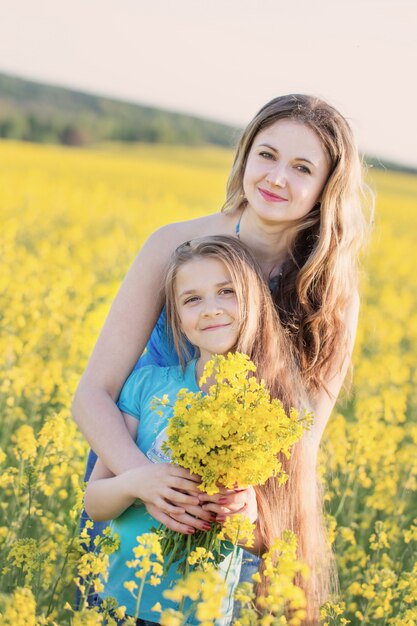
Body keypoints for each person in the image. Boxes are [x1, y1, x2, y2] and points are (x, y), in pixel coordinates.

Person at [74, 94, 371, 619]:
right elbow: (92, 394)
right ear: (245, 155)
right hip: (130, 478)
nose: (277, 178)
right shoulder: (174, 245)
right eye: (267, 155)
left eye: (302, 168)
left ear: (327, 187)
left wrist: (252, 506)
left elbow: (301, 444)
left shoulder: (330, 298)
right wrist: (143, 480)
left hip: (235, 513)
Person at [83, 236, 310, 625]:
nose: (211, 309)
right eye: (192, 299)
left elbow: (265, 542)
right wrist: (138, 482)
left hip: (198, 616)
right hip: (117, 600)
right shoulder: (147, 387)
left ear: (254, 302)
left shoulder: (269, 411)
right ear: (177, 321)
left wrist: (244, 518)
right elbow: (95, 500)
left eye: (227, 292)